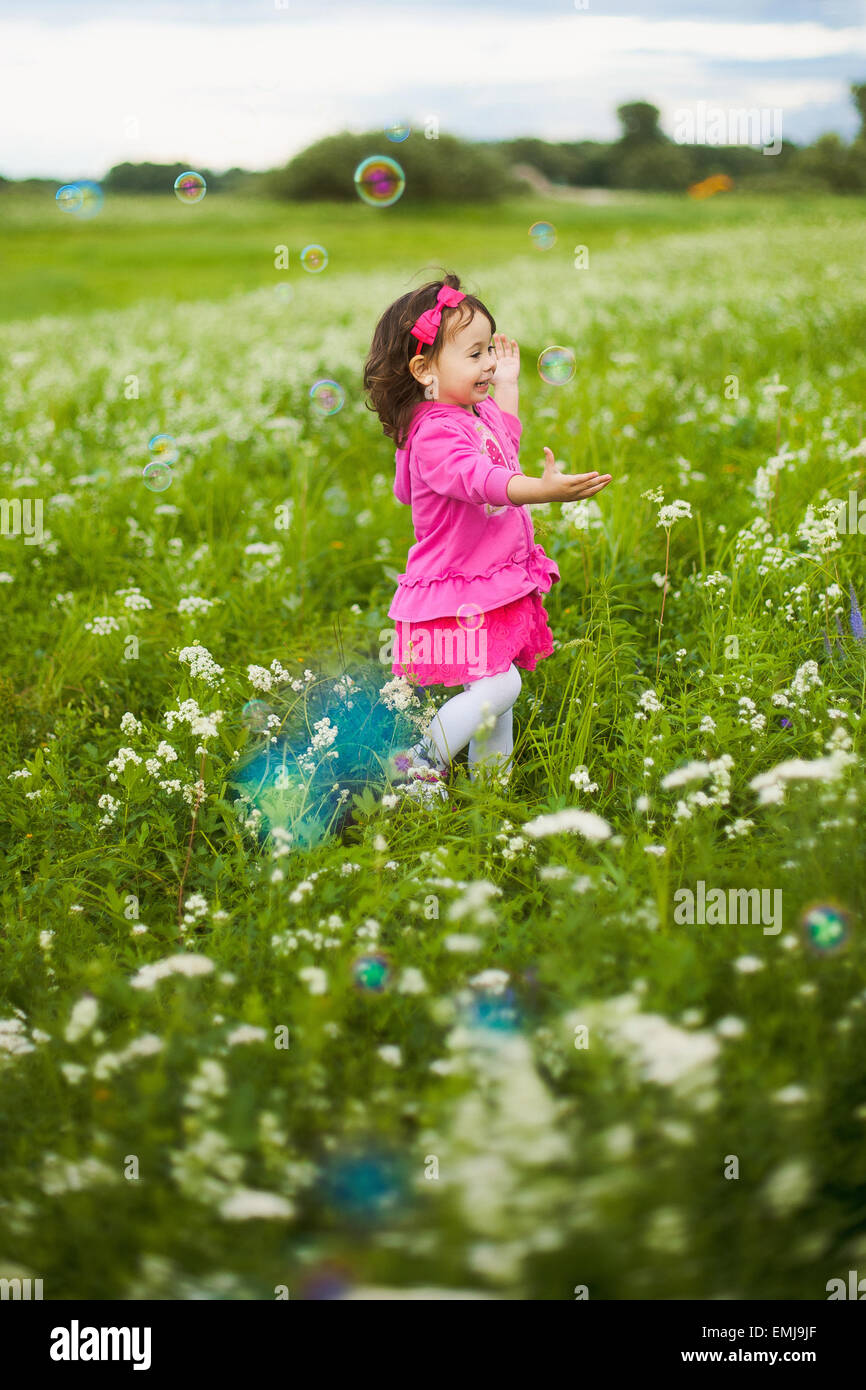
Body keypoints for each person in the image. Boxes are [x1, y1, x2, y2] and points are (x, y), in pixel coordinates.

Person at [362, 271, 612, 787]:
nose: (488, 363)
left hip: (486, 581)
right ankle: (417, 765)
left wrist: (509, 386)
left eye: (488, 352)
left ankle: (490, 795)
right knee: (500, 689)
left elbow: (503, 441)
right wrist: (541, 490)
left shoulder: (470, 413)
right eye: (474, 355)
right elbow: (485, 478)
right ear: (424, 370)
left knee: (494, 691)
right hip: (458, 587)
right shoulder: (433, 432)